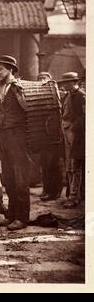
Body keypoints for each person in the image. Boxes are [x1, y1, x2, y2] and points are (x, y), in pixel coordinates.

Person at [0, 55, 30, 230]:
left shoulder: (17, 87)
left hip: (17, 137)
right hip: (4, 137)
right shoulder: (1, 88)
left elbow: (27, 111)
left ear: (10, 70)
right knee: (8, 178)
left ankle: (22, 218)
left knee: (20, 178)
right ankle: (12, 214)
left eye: (0, 69)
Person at [58, 72, 85, 208]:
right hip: (66, 132)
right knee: (69, 164)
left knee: (75, 165)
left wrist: (74, 128)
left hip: (76, 134)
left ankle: (74, 196)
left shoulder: (81, 96)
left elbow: (85, 116)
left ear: (73, 83)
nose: (64, 85)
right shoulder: (68, 96)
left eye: (67, 83)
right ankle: (72, 195)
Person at [37, 72, 63, 201]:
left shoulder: (55, 92)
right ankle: (47, 189)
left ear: (50, 80)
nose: (42, 81)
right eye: (39, 79)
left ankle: (55, 191)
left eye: (44, 78)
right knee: (45, 164)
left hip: (54, 135)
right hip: (43, 135)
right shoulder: (39, 95)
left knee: (53, 164)